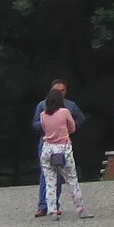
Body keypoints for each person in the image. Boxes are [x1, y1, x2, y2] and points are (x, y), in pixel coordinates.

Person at [32, 82, 85, 217]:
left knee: (51, 179)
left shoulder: (46, 112)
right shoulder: (62, 110)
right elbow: (72, 127)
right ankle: (79, 209)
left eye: (63, 90)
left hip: (48, 146)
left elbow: (80, 119)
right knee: (69, 179)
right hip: (62, 146)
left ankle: (52, 208)